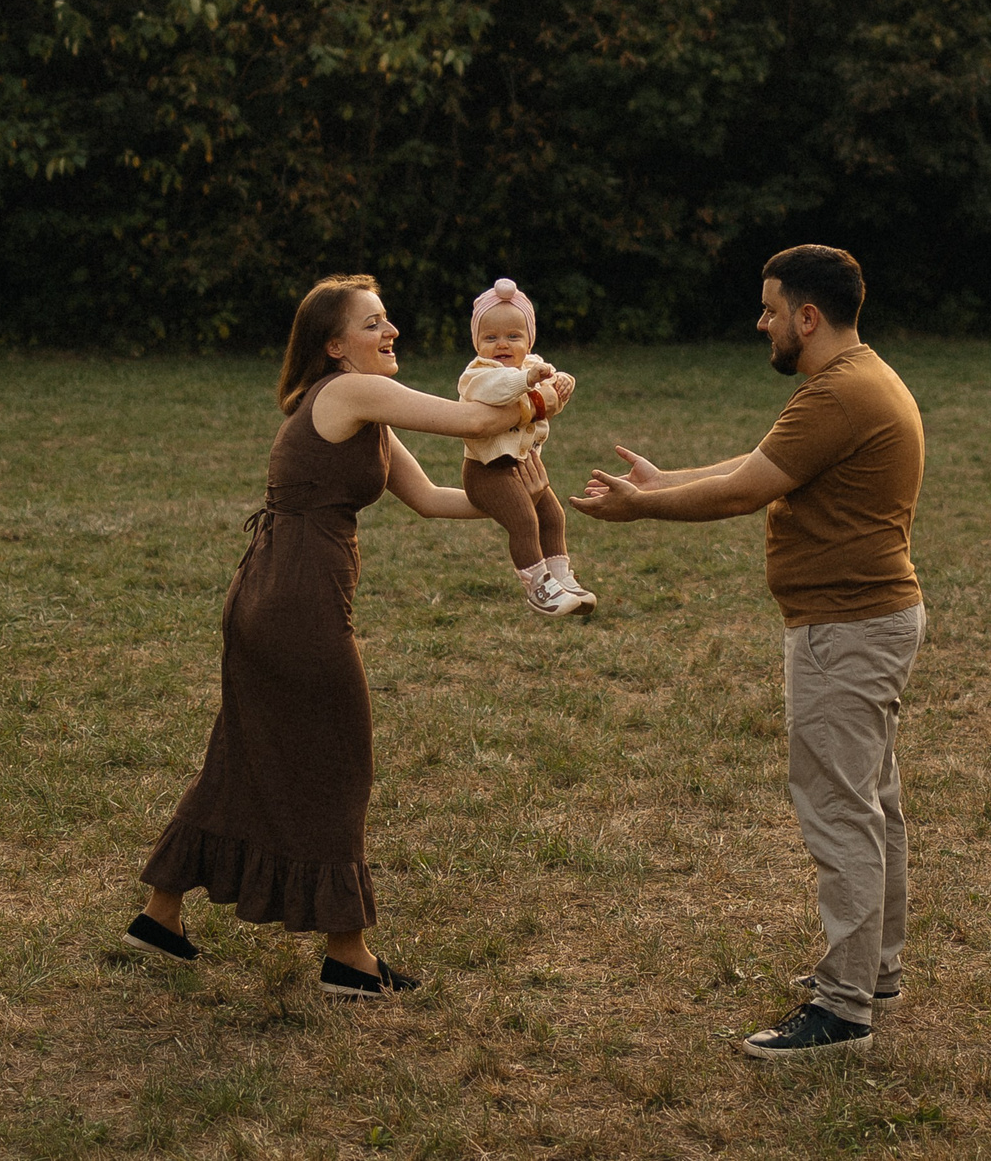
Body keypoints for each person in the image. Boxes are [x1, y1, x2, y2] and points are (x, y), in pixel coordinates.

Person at [124, 274, 553, 998]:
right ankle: (347, 956)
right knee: (340, 758)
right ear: (334, 345)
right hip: (296, 597)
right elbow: (476, 421)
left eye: (388, 321)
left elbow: (434, 501)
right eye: (373, 324)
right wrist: (540, 389)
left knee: (244, 750)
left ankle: (158, 917)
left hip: (277, 590)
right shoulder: (348, 392)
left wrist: (520, 500)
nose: (391, 333)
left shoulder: (366, 414)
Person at [573, 244, 925, 1062]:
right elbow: (761, 464)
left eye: (769, 309)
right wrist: (661, 481)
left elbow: (745, 488)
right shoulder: (855, 381)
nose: (760, 322)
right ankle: (873, 974)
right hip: (867, 622)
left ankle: (843, 1012)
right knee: (871, 805)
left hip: (846, 629)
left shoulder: (839, 393)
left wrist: (642, 511)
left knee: (842, 811)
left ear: (808, 316)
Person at [458, 277, 594, 617]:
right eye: (490, 338)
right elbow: (498, 390)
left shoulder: (533, 367)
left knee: (553, 516)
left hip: (522, 467)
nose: (501, 344)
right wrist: (528, 381)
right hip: (487, 471)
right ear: (477, 344)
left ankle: (562, 579)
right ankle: (538, 586)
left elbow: (551, 399)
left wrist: (563, 382)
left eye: (513, 337)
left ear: (528, 341)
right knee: (524, 520)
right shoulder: (478, 374)